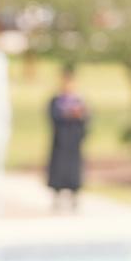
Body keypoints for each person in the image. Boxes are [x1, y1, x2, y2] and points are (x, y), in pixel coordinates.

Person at [46, 65, 89, 210]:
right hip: (60, 140)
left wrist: (80, 115)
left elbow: (86, 119)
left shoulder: (79, 100)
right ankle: (57, 195)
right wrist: (69, 114)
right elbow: (53, 117)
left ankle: (74, 195)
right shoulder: (56, 100)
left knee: (73, 169)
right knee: (58, 168)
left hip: (74, 141)